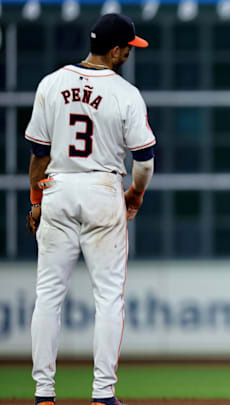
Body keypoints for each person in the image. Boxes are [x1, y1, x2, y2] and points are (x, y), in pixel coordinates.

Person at [25, 13, 155, 405]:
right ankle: (102, 394)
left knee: (48, 295)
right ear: (114, 50)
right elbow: (144, 159)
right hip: (102, 188)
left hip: (58, 188)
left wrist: (36, 201)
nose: (130, 54)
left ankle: (43, 393)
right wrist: (136, 193)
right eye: (128, 49)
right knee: (109, 298)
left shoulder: (52, 83)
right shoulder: (124, 93)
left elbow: (38, 155)